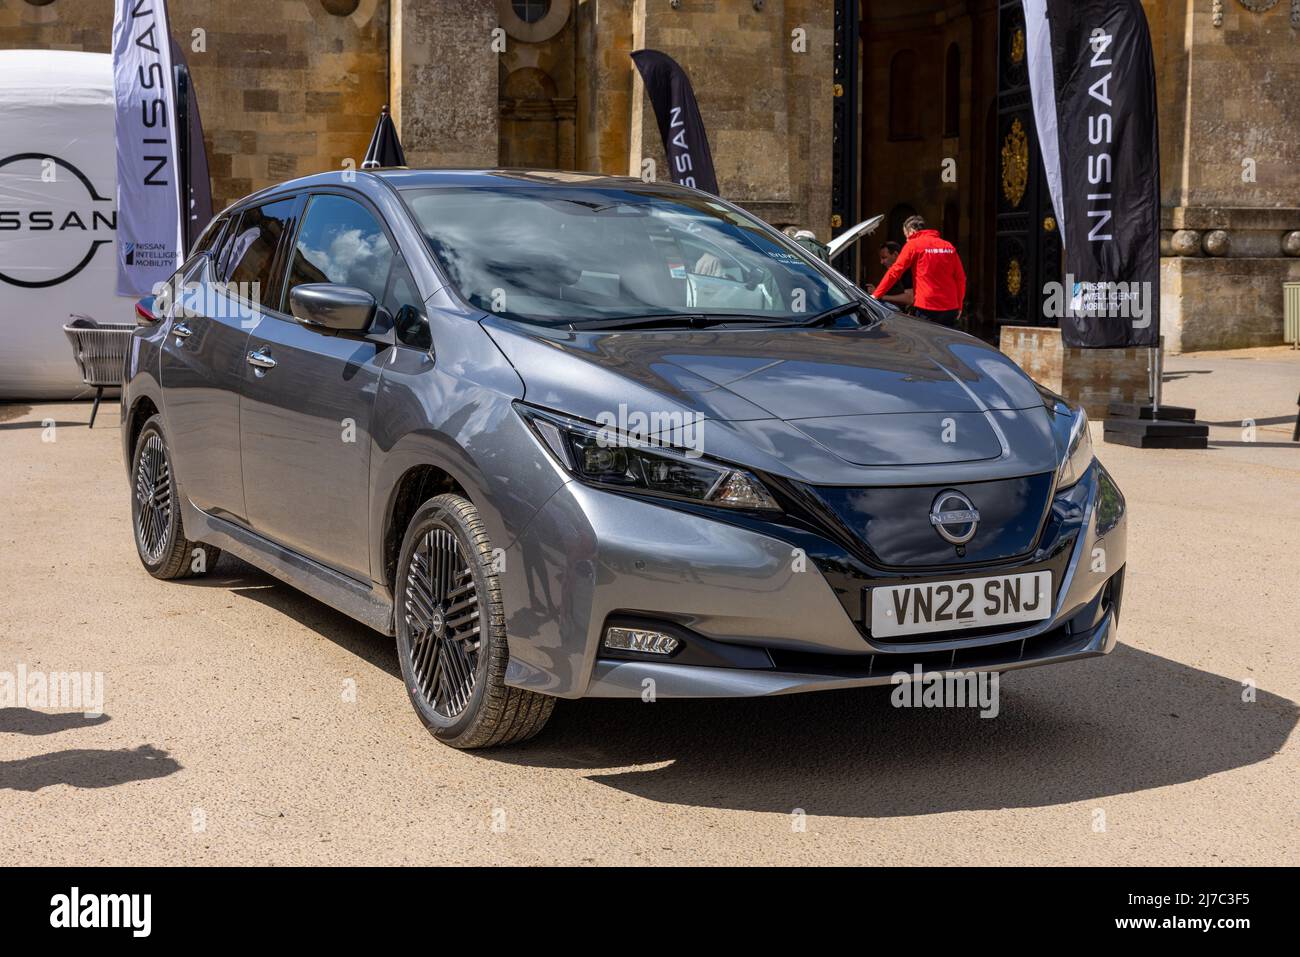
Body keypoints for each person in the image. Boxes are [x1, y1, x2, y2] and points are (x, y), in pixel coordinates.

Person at [871, 215, 966, 327]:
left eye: (906, 236)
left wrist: (875, 295)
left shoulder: (913, 244)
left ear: (911, 231)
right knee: (946, 342)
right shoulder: (948, 246)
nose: (906, 240)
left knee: (925, 343)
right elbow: (960, 278)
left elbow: (894, 271)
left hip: (926, 307)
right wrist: (959, 305)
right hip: (950, 308)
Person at [872, 241, 914, 310]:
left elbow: (909, 298)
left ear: (895, 254)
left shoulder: (907, 271)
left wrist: (881, 296)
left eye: (884, 257)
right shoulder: (892, 271)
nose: (881, 262)